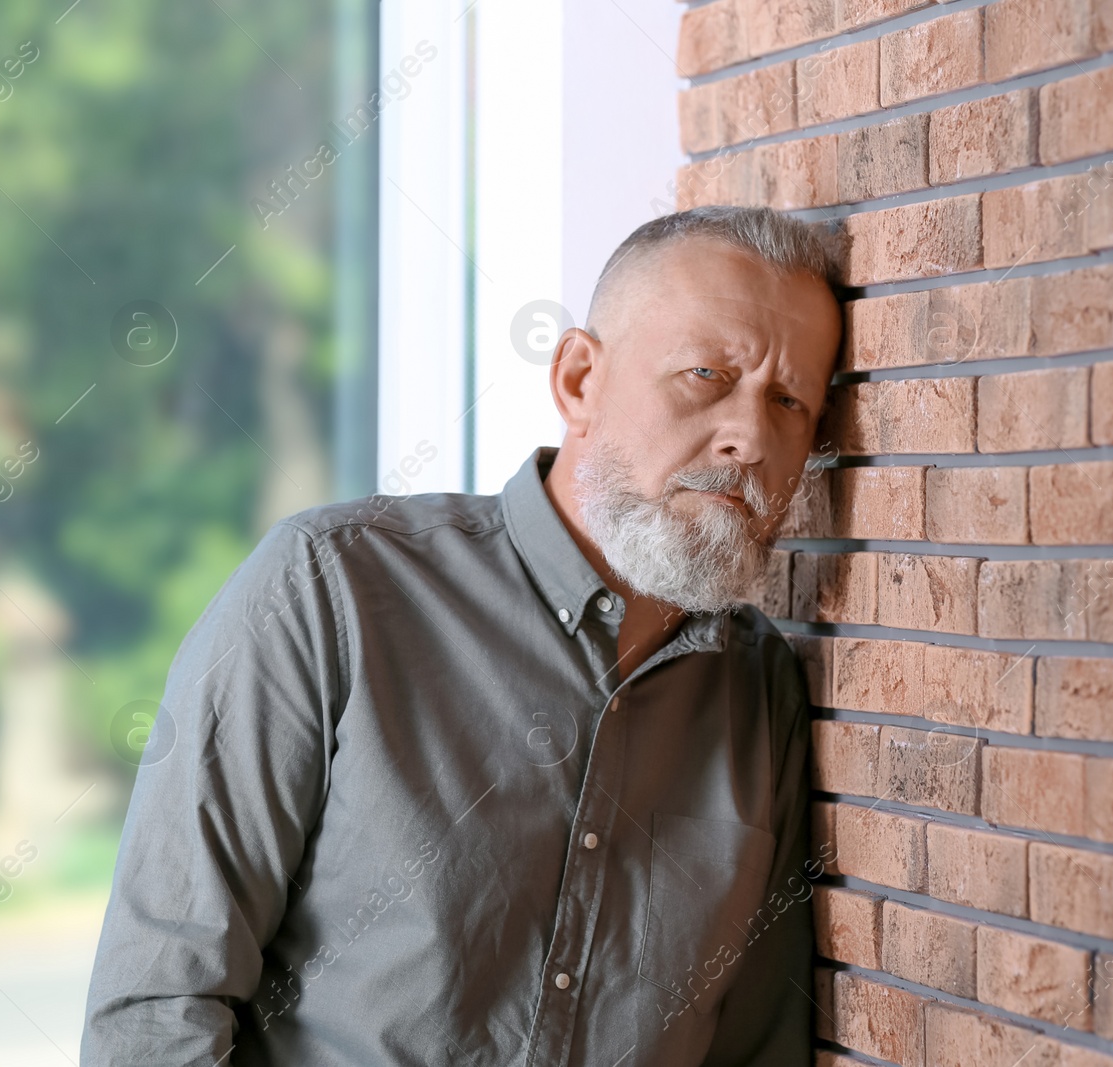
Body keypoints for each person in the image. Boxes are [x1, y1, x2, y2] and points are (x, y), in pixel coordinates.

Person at [80, 205, 845, 1066]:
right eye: (706, 374)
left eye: (790, 401)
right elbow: (156, 1013)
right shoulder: (331, 589)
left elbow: (757, 1050)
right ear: (579, 380)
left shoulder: (761, 694)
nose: (750, 435)